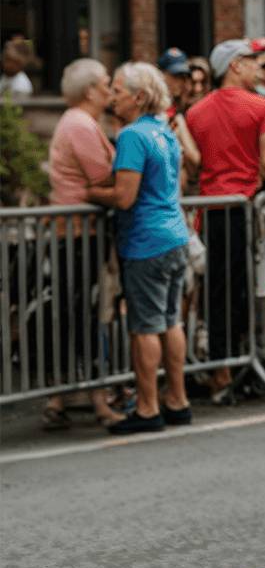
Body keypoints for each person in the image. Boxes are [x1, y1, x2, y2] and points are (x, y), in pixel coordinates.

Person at [88, 63, 193, 434]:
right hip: (175, 234)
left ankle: (148, 408)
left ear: (138, 96)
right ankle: (177, 400)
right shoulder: (163, 130)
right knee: (170, 321)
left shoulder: (132, 136)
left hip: (146, 241)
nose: (112, 97)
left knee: (145, 327)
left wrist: (90, 192)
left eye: (117, 90)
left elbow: (124, 196)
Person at [186, 40, 265, 400]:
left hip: (210, 210)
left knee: (215, 291)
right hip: (244, 207)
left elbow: (193, 163)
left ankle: (222, 369)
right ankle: (240, 364)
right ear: (235, 66)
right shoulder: (261, 106)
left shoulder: (196, 112)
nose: (260, 68)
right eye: (254, 62)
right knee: (246, 287)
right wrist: (254, 182)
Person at [43, 59, 122, 429]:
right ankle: (93, 398)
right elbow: (104, 176)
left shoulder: (78, 122)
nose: (111, 88)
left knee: (75, 315)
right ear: (90, 90)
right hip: (78, 234)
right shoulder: (80, 124)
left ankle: (62, 396)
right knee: (84, 316)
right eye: (107, 82)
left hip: (75, 232)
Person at [157, 47, 201, 182]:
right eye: (175, 76)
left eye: (183, 77)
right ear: (161, 75)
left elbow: (195, 161)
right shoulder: (155, 110)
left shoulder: (183, 109)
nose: (180, 82)